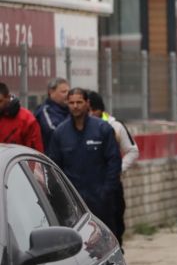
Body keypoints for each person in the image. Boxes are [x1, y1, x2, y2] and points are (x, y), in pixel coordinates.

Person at [47, 88, 121, 227]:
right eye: (71, 102)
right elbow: (54, 167)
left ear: (87, 103)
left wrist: (107, 191)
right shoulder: (60, 133)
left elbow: (114, 161)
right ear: (67, 104)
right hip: (72, 201)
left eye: (79, 102)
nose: (75, 106)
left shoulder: (102, 129)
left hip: (101, 200)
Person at [89, 91, 138, 244]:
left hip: (110, 183)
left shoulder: (115, 126)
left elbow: (132, 151)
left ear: (97, 110)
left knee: (115, 218)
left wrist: (118, 169)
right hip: (86, 185)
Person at [0, 83, 43, 152]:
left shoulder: (26, 119)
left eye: (0, 101)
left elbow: (35, 152)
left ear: (8, 97)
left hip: (17, 161)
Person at [35, 77, 70, 151]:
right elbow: (53, 130)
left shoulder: (70, 110)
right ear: (51, 92)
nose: (67, 95)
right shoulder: (45, 111)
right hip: (51, 157)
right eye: (63, 92)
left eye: (68, 92)